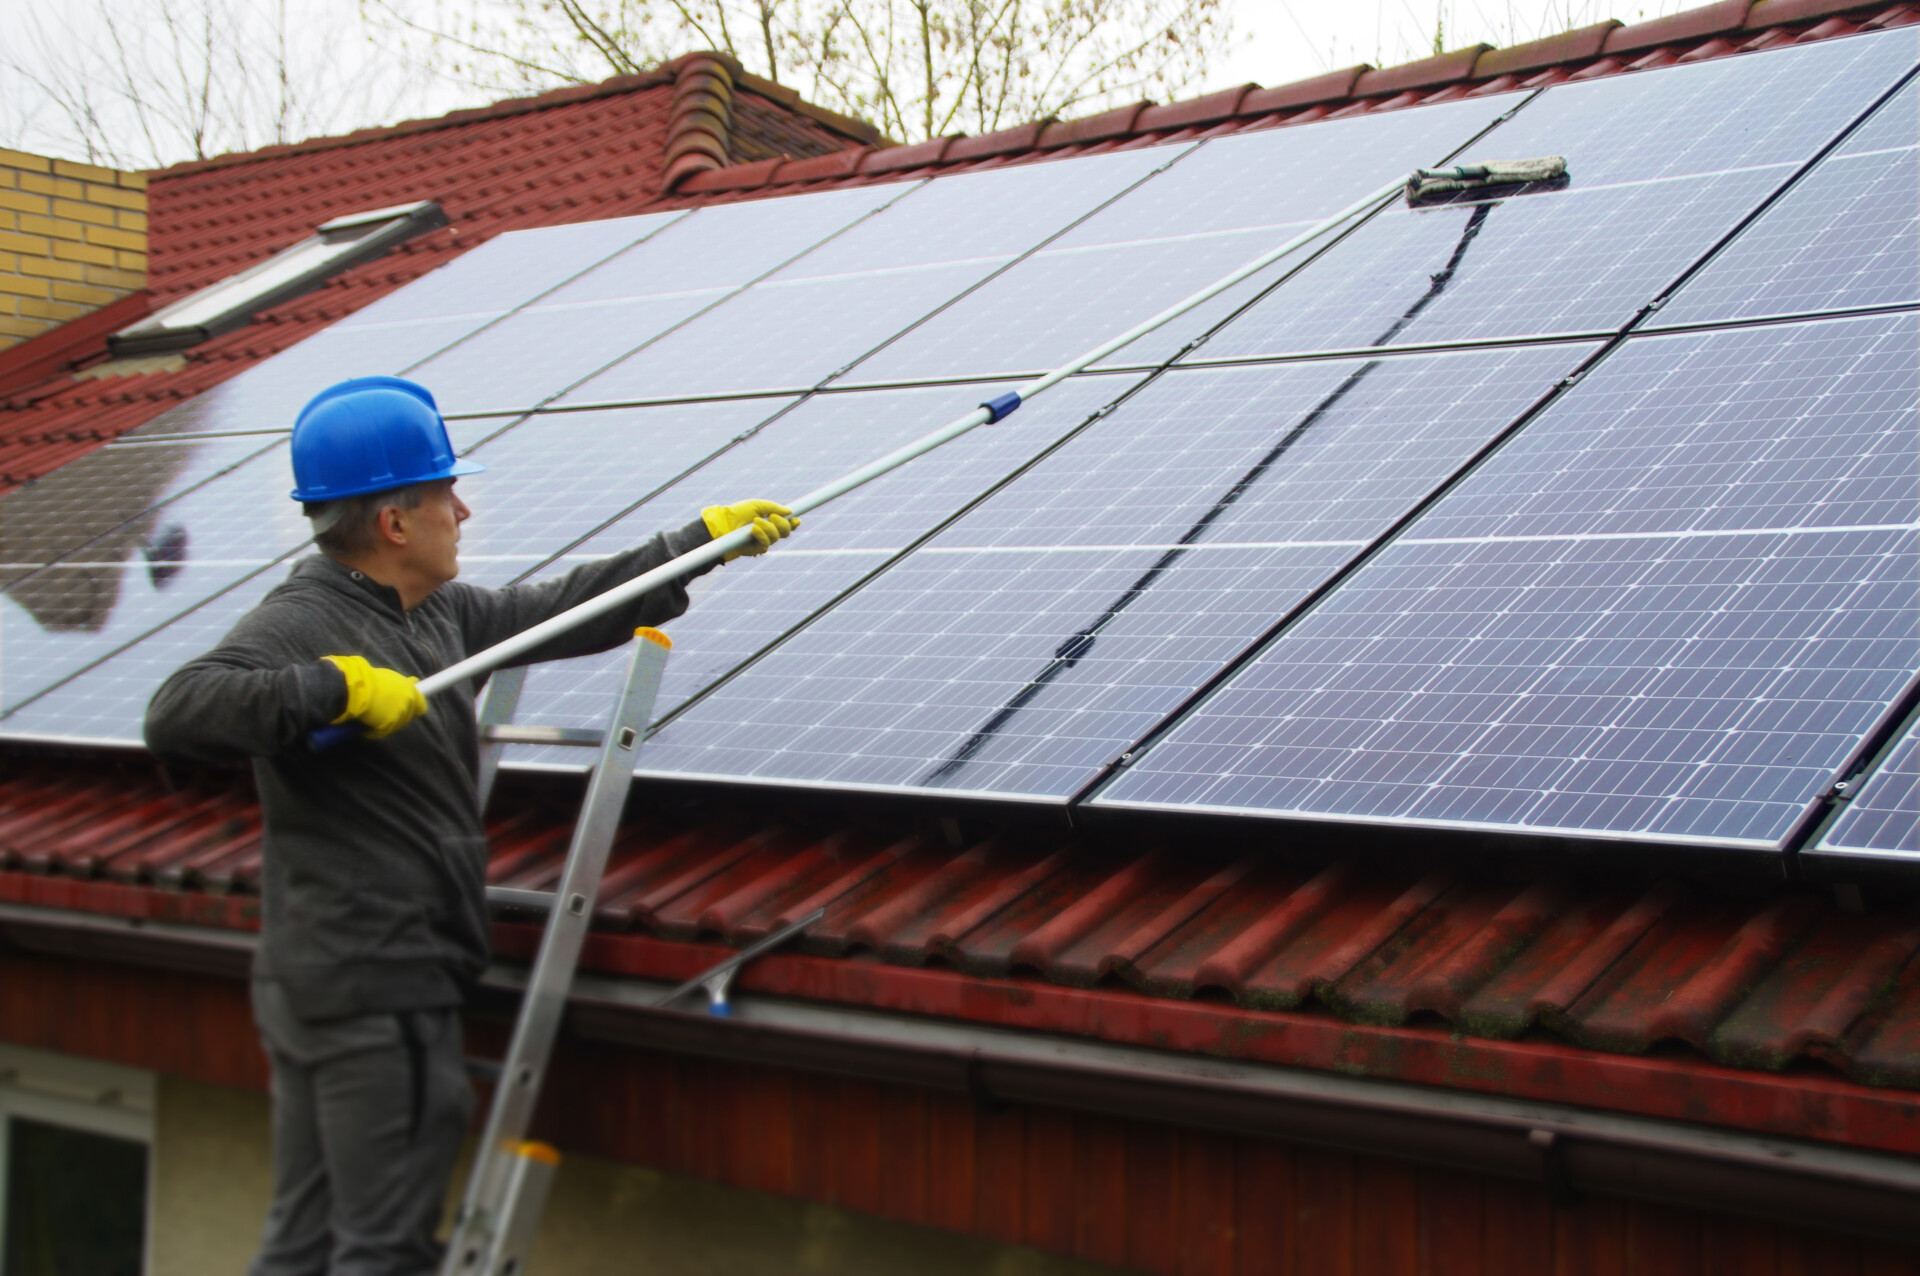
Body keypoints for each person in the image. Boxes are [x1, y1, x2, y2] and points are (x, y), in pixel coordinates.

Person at [143, 376, 795, 1276]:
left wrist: (696, 548)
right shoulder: (305, 619)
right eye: (446, 492)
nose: (465, 508)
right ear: (394, 524)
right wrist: (331, 687)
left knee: (305, 1240)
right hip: (371, 977)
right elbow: (178, 712)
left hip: (341, 971)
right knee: (383, 1249)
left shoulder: (436, 613)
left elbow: (565, 611)